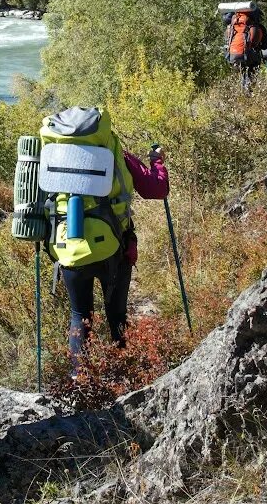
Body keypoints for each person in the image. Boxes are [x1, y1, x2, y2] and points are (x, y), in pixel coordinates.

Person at [61, 144, 168, 366]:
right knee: (117, 313)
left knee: (79, 315)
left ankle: (79, 382)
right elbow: (156, 189)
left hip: (70, 249)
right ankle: (125, 370)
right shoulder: (117, 155)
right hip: (115, 249)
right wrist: (156, 161)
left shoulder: (56, 158)